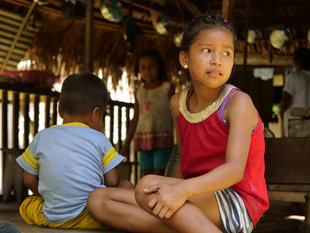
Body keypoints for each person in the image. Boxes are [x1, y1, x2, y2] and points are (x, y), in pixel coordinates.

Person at [134, 14, 270, 233]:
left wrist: (180, 191)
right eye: (207, 50)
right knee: (101, 200)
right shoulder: (178, 102)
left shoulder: (238, 103)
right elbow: (183, 159)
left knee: (144, 188)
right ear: (185, 58)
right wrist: (173, 194)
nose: (217, 59)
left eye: (227, 53)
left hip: (237, 205)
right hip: (195, 196)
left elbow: (235, 170)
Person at [16, 72, 129, 229]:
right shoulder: (99, 138)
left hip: (51, 216)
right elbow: (113, 180)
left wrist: (48, 197)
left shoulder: (41, 137)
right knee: (126, 184)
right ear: (96, 113)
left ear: (59, 111)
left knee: (27, 204)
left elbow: (28, 180)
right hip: (92, 216)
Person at [120, 49, 175, 176]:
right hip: (142, 139)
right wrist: (127, 142)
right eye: (143, 68)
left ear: (160, 68)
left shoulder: (167, 88)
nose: (147, 71)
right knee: (146, 175)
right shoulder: (139, 91)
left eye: (151, 67)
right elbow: (136, 118)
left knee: (160, 174)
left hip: (163, 138)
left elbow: (175, 115)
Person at [280, 47, 310, 137]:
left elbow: (286, 100)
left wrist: (281, 114)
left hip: (294, 124)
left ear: (297, 62)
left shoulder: (294, 76)